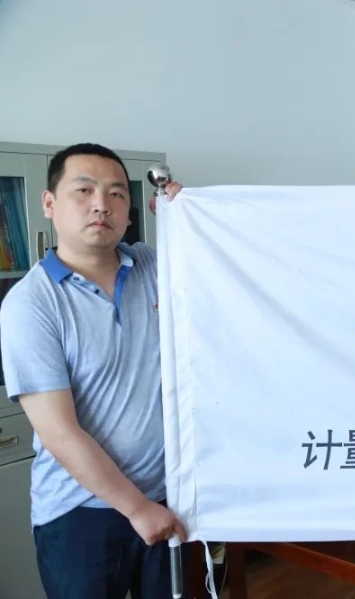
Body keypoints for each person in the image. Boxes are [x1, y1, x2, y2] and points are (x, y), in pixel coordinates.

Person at [0, 143, 186, 598]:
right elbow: (60, 433)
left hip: (166, 496)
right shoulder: (31, 303)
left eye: (117, 194)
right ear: (49, 203)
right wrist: (137, 508)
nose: (102, 204)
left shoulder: (151, 266)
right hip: (80, 515)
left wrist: (186, 221)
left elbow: (222, 279)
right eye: (83, 190)